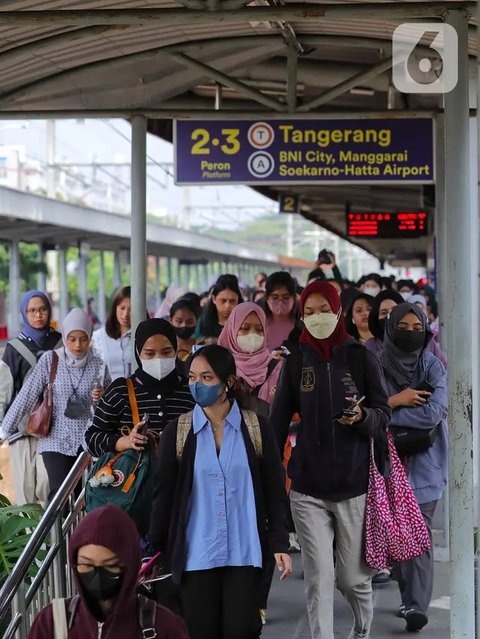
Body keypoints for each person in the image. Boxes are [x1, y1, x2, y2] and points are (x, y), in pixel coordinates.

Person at [270, 280, 391, 639]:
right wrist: (268, 473)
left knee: (353, 581)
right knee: (320, 578)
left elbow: (383, 413)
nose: (317, 317)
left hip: (354, 486)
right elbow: (277, 424)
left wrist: (362, 418)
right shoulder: (295, 363)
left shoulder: (359, 356)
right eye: (309, 312)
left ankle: (362, 627)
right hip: (307, 488)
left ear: (338, 311)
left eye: (324, 310)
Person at [148, 345, 292, 639]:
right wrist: (156, 550)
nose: (197, 385)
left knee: (242, 631)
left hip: (245, 552)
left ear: (228, 382)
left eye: (207, 377)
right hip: (195, 555)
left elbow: (275, 491)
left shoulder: (256, 428)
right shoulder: (178, 432)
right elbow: (164, 496)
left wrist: (279, 543)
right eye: (191, 377)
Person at [378, 303, 448, 632]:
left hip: (426, 466)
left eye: (416, 327)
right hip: (389, 467)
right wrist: (397, 401)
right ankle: (409, 600)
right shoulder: (376, 365)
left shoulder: (431, 365)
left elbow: (433, 413)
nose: (410, 333)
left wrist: (389, 414)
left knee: (419, 534)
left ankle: (416, 604)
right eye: (402, 327)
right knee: (400, 533)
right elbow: (368, 411)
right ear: (391, 329)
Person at [27, 504, 188, 639]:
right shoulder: (51, 622)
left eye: (110, 565)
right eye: (86, 564)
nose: (97, 575)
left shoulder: (163, 626)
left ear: (130, 565)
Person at [1, 309, 110, 501]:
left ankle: (78, 531)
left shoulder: (99, 365)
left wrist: (100, 396)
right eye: (72, 339)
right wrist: (4, 430)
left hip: (87, 442)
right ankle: (55, 531)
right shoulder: (51, 360)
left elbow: (110, 405)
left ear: (90, 337)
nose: (77, 345)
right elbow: (26, 395)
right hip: (55, 440)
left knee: (83, 496)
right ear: (65, 336)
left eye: (83, 339)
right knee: (59, 493)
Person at [86, 318, 195, 459]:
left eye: (166, 352)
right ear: (138, 353)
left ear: (176, 349)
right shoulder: (120, 391)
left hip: (183, 479)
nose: (159, 359)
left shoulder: (191, 390)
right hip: (136, 478)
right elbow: (93, 439)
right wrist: (124, 442)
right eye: (149, 353)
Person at [0, 290, 61, 504]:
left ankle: (51, 537)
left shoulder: (61, 343)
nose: (38, 315)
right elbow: (3, 390)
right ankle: (29, 537)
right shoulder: (14, 348)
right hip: (22, 429)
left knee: (49, 488)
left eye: (43, 309)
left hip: (54, 430)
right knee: (25, 491)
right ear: (24, 313)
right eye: (32, 311)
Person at [218, 302, 281, 417]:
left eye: (259, 329)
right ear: (232, 330)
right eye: (245, 328)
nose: (252, 334)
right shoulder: (219, 367)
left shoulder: (279, 368)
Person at [91, 286, 132, 381]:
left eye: (131, 309)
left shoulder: (143, 336)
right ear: (115, 308)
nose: (125, 314)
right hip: (108, 393)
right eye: (122, 308)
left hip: (137, 393)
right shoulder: (98, 337)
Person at [195, 274, 243, 341]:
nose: (227, 306)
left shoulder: (244, 322)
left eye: (232, 301)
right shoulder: (203, 320)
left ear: (238, 300)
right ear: (214, 299)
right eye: (223, 301)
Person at [261, 271, 298, 353]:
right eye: (275, 297)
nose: (280, 302)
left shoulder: (301, 325)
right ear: (267, 299)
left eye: (286, 297)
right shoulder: (259, 325)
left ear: (294, 298)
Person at [365, 290, 404, 355]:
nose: (390, 316)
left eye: (395, 310)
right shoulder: (370, 347)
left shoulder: (415, 342)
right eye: (384, 313)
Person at [169, 297, 200, 362]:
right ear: (170, 320)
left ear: (196, 320)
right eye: (179, 321)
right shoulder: (165, 347)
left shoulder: (201, 346)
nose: (184, 325)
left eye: (190, 321)